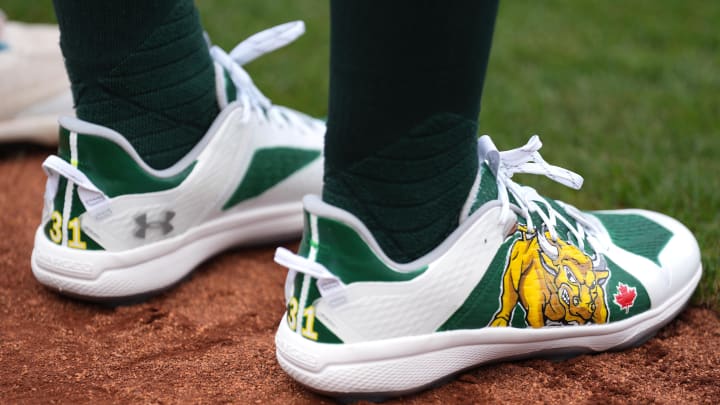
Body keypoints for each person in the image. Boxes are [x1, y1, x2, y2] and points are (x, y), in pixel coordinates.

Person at [31, 0, 702, 398]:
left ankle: (146, 126)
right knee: (400, 182)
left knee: (144, 97)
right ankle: (409, 221)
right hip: (401, 258)